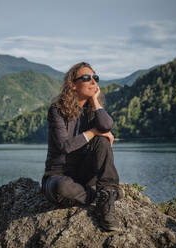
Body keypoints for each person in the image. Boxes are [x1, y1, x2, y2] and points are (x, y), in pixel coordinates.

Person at [41, 62, 123, 232]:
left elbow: (107, 126)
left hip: (85, 175)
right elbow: (65, 146)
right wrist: (94, 131)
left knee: (102, 141)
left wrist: (95, 101)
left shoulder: (91, 110)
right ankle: (104, 195)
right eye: (86, 78)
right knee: (61, 188)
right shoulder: (57, 110)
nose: (93, 81)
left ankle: (106, 198)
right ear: (72, 85)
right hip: (58, 176)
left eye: (95, 78)